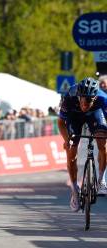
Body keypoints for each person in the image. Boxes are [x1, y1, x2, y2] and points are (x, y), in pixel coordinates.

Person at [58, 77, 107, 212]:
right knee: (71, 151)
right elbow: (61, 123)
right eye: (83, 100)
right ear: (79, 96)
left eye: (89, 101)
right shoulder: (69, 97)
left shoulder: (103, 99)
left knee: (103, 144)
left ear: (95, 98)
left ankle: (102, 180)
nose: (85, 104)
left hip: (95, 114)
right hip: (74, 116)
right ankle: (74, 190)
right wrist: (66, 139)